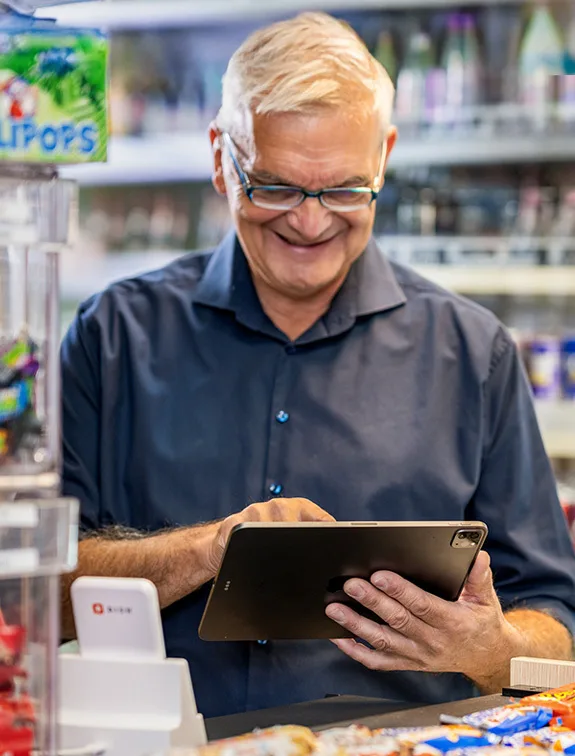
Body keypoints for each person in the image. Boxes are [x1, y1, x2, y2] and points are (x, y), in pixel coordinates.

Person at [61, 12, 575, 720]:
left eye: (342, 190)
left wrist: (486, 650)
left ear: (384, 159)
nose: (309, 223)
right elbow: (33, 591)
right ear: (220, 158)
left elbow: (556, 628)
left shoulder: (472, 353)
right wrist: (211, 550)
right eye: (274, 187)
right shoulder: (110, 336)